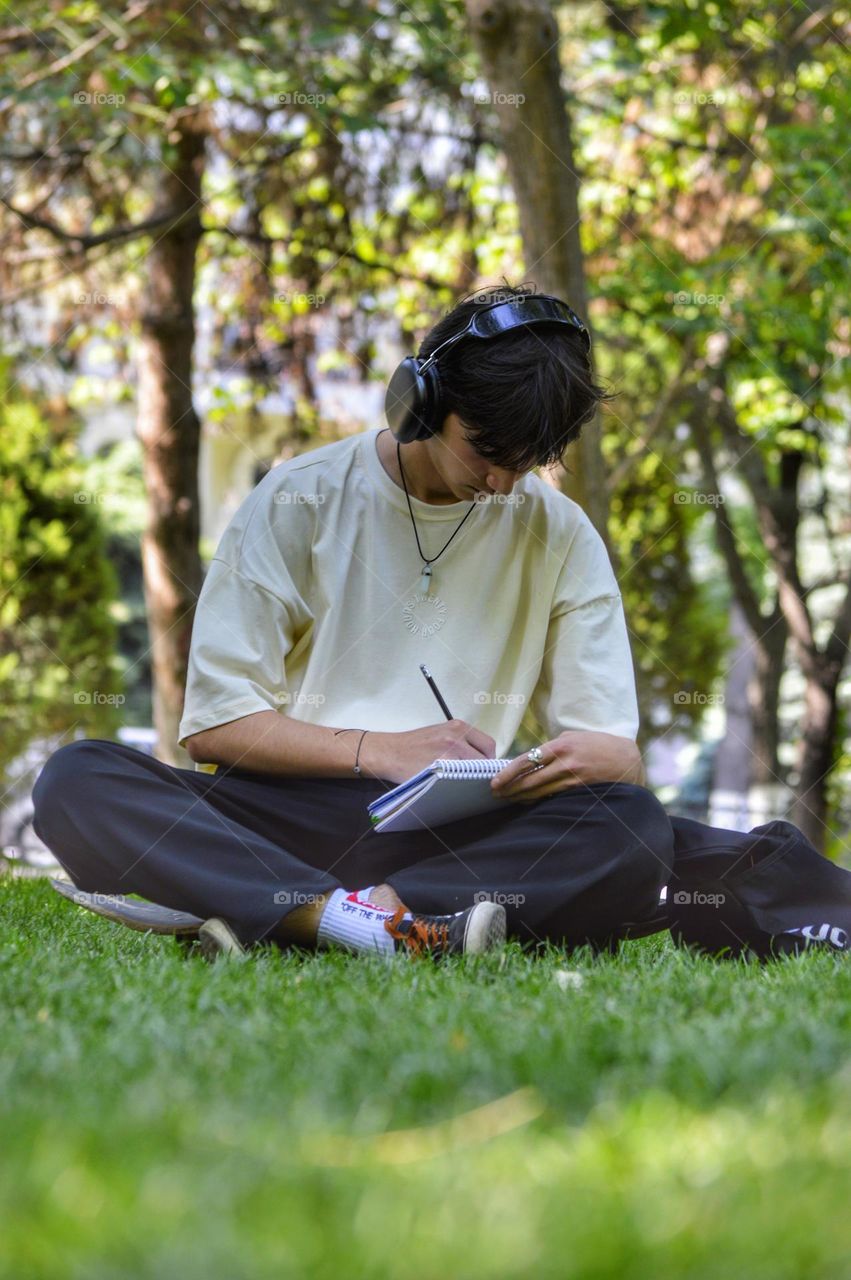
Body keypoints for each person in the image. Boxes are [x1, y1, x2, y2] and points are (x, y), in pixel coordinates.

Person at [30, 284, 846, 964]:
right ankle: (356, 919)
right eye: (483, 451)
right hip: (288, 812)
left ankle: (333, 916)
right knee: (77, 780)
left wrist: (609, 757)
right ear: (420, 401)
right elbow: (213, 726)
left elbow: (610, 752)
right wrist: (379, 752)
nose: (499, 481)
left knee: (629, 830)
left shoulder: (559, 534)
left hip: (459, 832)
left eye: (525, 463)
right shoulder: (298, 497)